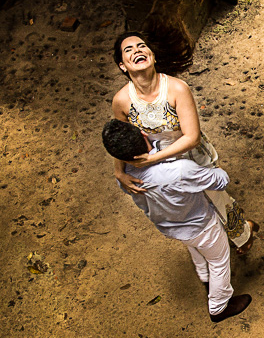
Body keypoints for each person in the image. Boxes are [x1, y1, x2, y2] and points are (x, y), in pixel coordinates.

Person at [110, 30, 258, 254]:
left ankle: (244, 234)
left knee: (217, 199)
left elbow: (191, 137)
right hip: (159, 162)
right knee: (188, 208)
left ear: (153, 56)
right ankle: (210, 241)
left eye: (141, 46)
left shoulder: (177, 88)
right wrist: (119, 172)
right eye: (128, 50)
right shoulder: (121, 100)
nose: (137, 50)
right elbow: (120, 139)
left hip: (191, 156)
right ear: (123, 66)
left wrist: (151, 160)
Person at [102, 118, 252, 322]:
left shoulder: (125, 178)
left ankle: (206, 279)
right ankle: (219, 306)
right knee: (219, 260)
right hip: (202, 225)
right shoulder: (179, 170)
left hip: (170, 226)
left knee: (196, 251)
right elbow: (221, 180)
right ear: (144, 134)